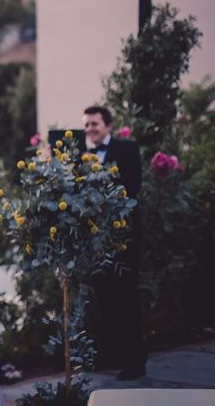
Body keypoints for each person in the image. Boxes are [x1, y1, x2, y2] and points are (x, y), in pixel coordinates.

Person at [83, 105, 147, 381]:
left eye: (94, 124)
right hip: (96, 240)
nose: (89, 129)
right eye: (86, 125)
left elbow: (132, 186)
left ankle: (136, 360)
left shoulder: (127, 149)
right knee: (105, 298)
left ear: (108, 125)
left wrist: (102, 181)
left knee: (126, 298)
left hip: (123, 237)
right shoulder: (82, 156)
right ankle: (113, 355)